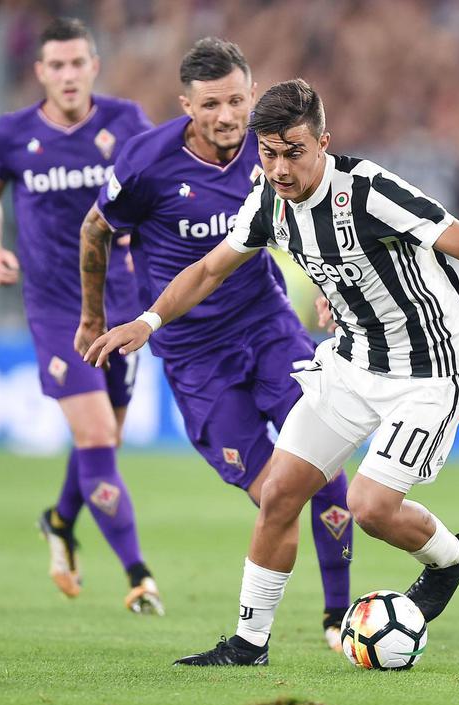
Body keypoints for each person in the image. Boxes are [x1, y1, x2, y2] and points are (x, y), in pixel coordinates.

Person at [86, 77, 459, 666]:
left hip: (427, 367)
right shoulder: (268, 200)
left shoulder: (368, 191)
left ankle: (452, 561)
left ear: (323, 142)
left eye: (293, 152)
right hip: (351, 363)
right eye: (268, 153)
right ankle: (249, 644)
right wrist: (146, 322)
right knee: (279, 492)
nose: (279, 167)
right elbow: (207, 271)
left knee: (371, 507)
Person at [76, 40, 354, 652]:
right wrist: (93, 314)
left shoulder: (273, 153)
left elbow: (318, 218)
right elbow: (96, 229)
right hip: (196, 358)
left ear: (252, 96)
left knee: (326, 472)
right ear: (186, 106)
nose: (227, 116)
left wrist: (334, 287)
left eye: (236, 100)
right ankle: (271, 629)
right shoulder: (146, 163)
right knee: (274, 493)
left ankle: (340, 618)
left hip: (271, 329)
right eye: (211, 105)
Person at [0, 17, 161, 613]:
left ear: (94, 66)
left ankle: (58, 520)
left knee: (107, 441)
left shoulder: (126, 122)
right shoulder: (12, 134)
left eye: (79, 63)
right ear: (40, 72)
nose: (69, 75)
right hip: (56, 311)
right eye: (57, 65)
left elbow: (156, 186)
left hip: (121, 308)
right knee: (98, 435)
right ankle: (139, 575)